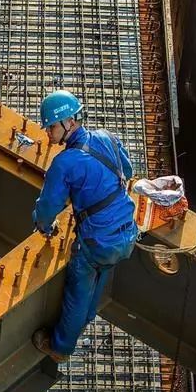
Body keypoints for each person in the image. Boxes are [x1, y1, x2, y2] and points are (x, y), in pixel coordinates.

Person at [31, 90, 138, 363]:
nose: (48, 133)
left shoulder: (64, 163)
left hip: (97, 242)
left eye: (52, 127)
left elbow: (47, 208)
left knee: (77, 290)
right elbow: (127, 169)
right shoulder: (108, 137)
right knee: (102, 269)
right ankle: (89, 316)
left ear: (69, 122)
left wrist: (44, 226)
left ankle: (60, 349)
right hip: (126, 231)